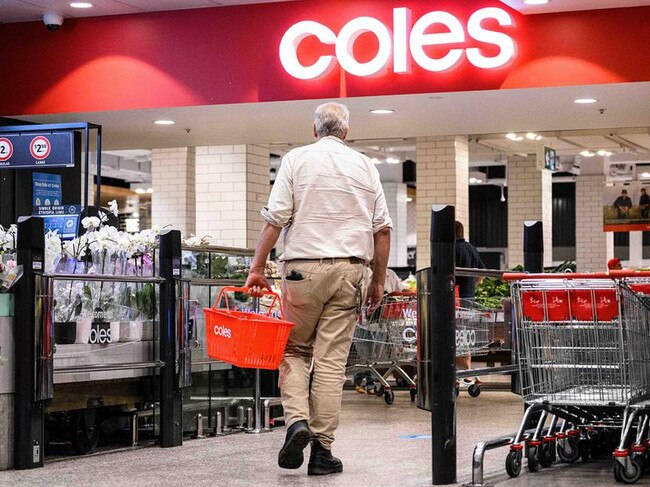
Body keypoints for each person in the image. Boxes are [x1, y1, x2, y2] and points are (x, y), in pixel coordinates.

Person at [245, 102, 392, 476]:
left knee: (294, 349)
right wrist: (378, 280)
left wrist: (257, 267)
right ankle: (323, 453)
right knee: (330, 362)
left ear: (315, 131)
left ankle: (296, 422)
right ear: (346, 132)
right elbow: (383, 230)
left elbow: (275, 218)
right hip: (350, 271)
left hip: (302, 271)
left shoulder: (296, 160)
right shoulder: (365, 165)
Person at [455, 221, 485, 300]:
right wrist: (470, 285)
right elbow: (482, 273)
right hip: (470, 296)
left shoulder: (451, 249)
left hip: (455, 298)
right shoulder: (471, 248)